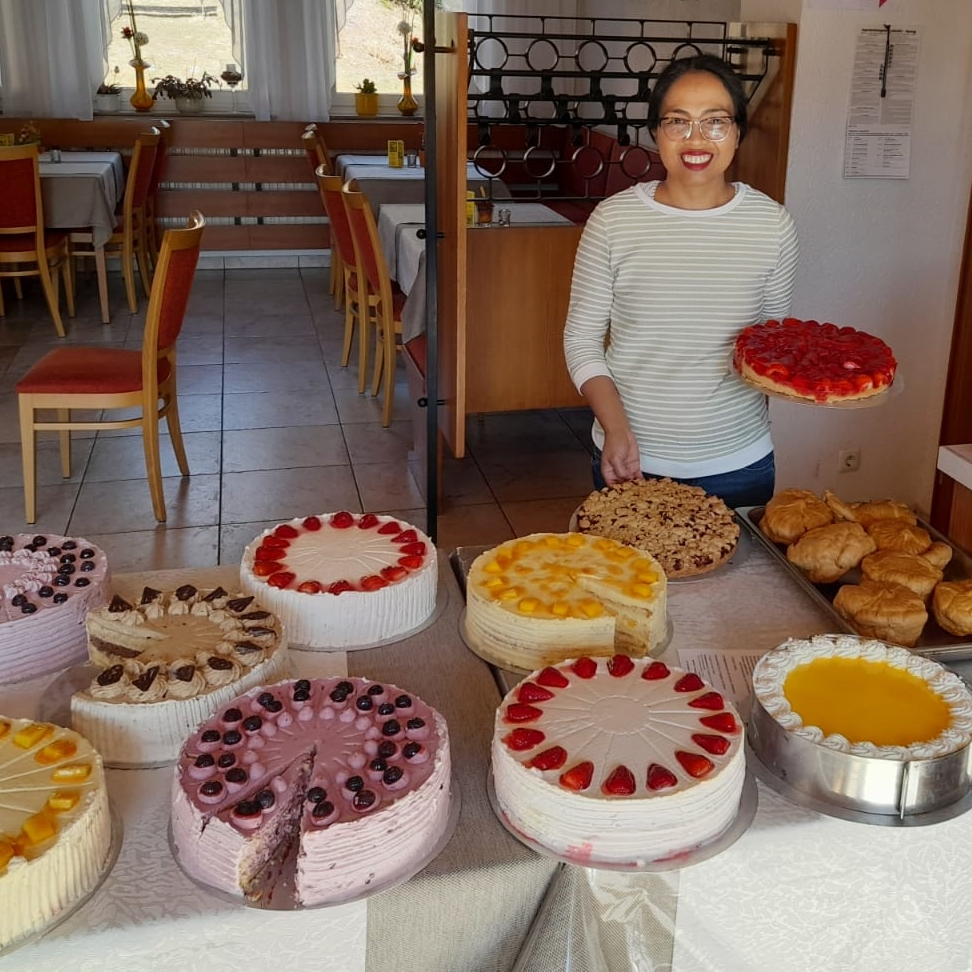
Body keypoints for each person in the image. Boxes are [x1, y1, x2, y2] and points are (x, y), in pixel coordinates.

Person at [563, 53, 799, 509]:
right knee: (632, 581)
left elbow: (772, 339)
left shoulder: (773, 225)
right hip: (630, 457)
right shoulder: (614, 221)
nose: (696, 139)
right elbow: (581, 340)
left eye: (715, 122)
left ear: (738, 133)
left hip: (740, 462)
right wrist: (614, 428)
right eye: (678, 121)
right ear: (656, 132)